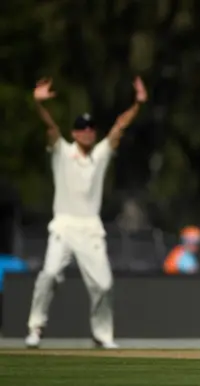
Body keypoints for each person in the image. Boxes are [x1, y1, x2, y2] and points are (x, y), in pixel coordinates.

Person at [25, 76, 147, 349]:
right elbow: (50, 127)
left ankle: (102, 335)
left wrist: (138, 105)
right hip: (64, 226)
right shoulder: (62, 152)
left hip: (90, 227)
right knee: (49, 274)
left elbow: (119, 127)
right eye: (83, 129)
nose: (88, 132)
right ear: (74, 133)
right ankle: (35, 327)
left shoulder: (101, 154)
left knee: (103, 285)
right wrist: (37, 104)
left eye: (92, 128)